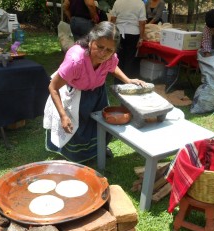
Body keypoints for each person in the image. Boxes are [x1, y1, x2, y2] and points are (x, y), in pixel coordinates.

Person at [43, 21, 146, 163]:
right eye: (100, 47)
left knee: (100, 123)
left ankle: (98, 149)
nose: (103, 54)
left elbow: (112, 67)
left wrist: (127, 80)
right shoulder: (75, 60)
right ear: (91, 40)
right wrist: (63, 115)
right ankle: (77, 157)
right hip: (75, 95)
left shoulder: (109, 58)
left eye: (109, 50)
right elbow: (53, 87)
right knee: (78, 128)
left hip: (97, 94)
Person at [110, 0, 147, 81]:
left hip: (119, 32)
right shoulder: (140, 3)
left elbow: (113, 19)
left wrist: (111, 33)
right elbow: (142, 22)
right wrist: (141, 38)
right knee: (129, 59)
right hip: (133, 33)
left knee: (118, 58)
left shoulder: (118, 2)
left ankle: (117, 80)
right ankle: (127, 81)